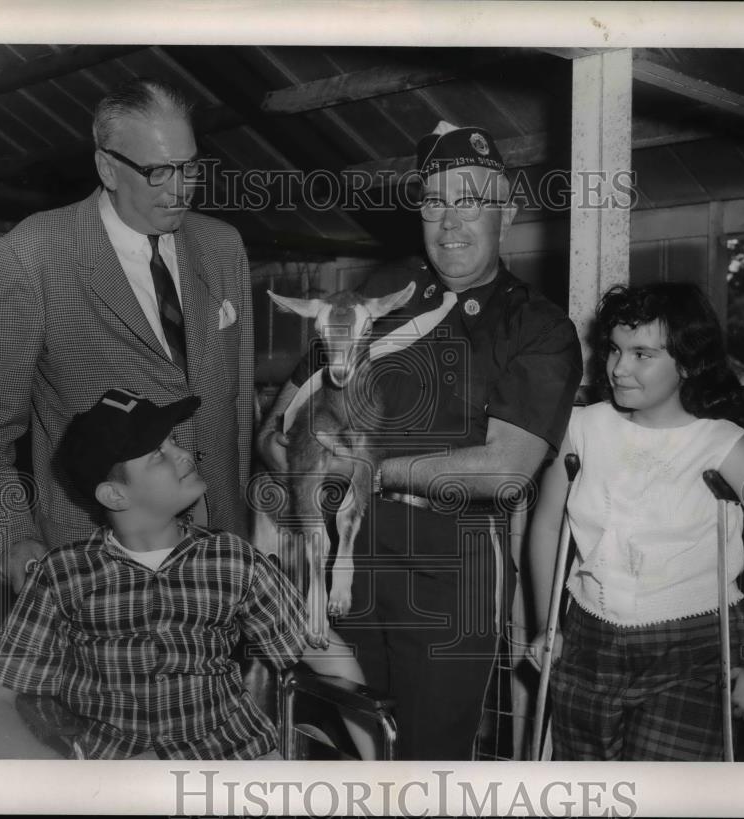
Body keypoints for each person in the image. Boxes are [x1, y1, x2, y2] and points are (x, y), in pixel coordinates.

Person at [257, 121, 582, 760]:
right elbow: (283, 420)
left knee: (430, 758)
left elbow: (504, 471)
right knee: (349, 739)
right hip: (346, 550)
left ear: (506, 213)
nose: (449, 221)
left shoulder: (538, 328)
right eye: (434, 203)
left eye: (470, 201)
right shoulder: (382, 296)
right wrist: (299, 475)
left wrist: (366, 470)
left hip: (448, 564)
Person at [0, 78, 254, 592]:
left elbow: (234, 415)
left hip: (218, 569)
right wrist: (12, 542)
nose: (182, 189)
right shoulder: (35, 255)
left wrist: (241, 546)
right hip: (93, 569)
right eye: (158, 171)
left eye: (190, 166)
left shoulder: (222, 246)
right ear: (107, 167)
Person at [0, 388, 372, 760]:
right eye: (158, 454)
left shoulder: (230, 559)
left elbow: (332, 660)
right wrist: (59, 784)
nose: (183, 455)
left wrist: (382, 772)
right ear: (115, 495)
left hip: (236, 764)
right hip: (122, 784)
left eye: (174, 441)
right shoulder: (62, 577)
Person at [527, 282, 744, 761]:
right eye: (615, 349)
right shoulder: (582, 429)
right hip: (588, 637)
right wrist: (550, 627)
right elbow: (546, 527)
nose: (619, 368)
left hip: (692, 648)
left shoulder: (730, 448)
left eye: (643, 354)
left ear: (687, 363)